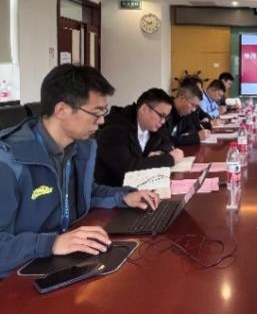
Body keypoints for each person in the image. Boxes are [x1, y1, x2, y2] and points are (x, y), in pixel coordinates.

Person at [0, 65, 159, 279]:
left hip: (59, 260)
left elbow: (85, 193)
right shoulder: (9, 162)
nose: (102, 121)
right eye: (96, 112)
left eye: (103, 112)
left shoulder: (78, 148)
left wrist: (123, 197)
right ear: (62, 110)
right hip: (17, 277)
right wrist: (51, 243)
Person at [94, 88, 185, 186]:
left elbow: (168, 142)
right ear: (144, 109)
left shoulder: (154, 126)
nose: (163, 121)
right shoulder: (114, 130)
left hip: (143, 185)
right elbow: (128, 170)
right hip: (115, 190)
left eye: (166, 117)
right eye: (161, 115)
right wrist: (169, 159)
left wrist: (160, 152)